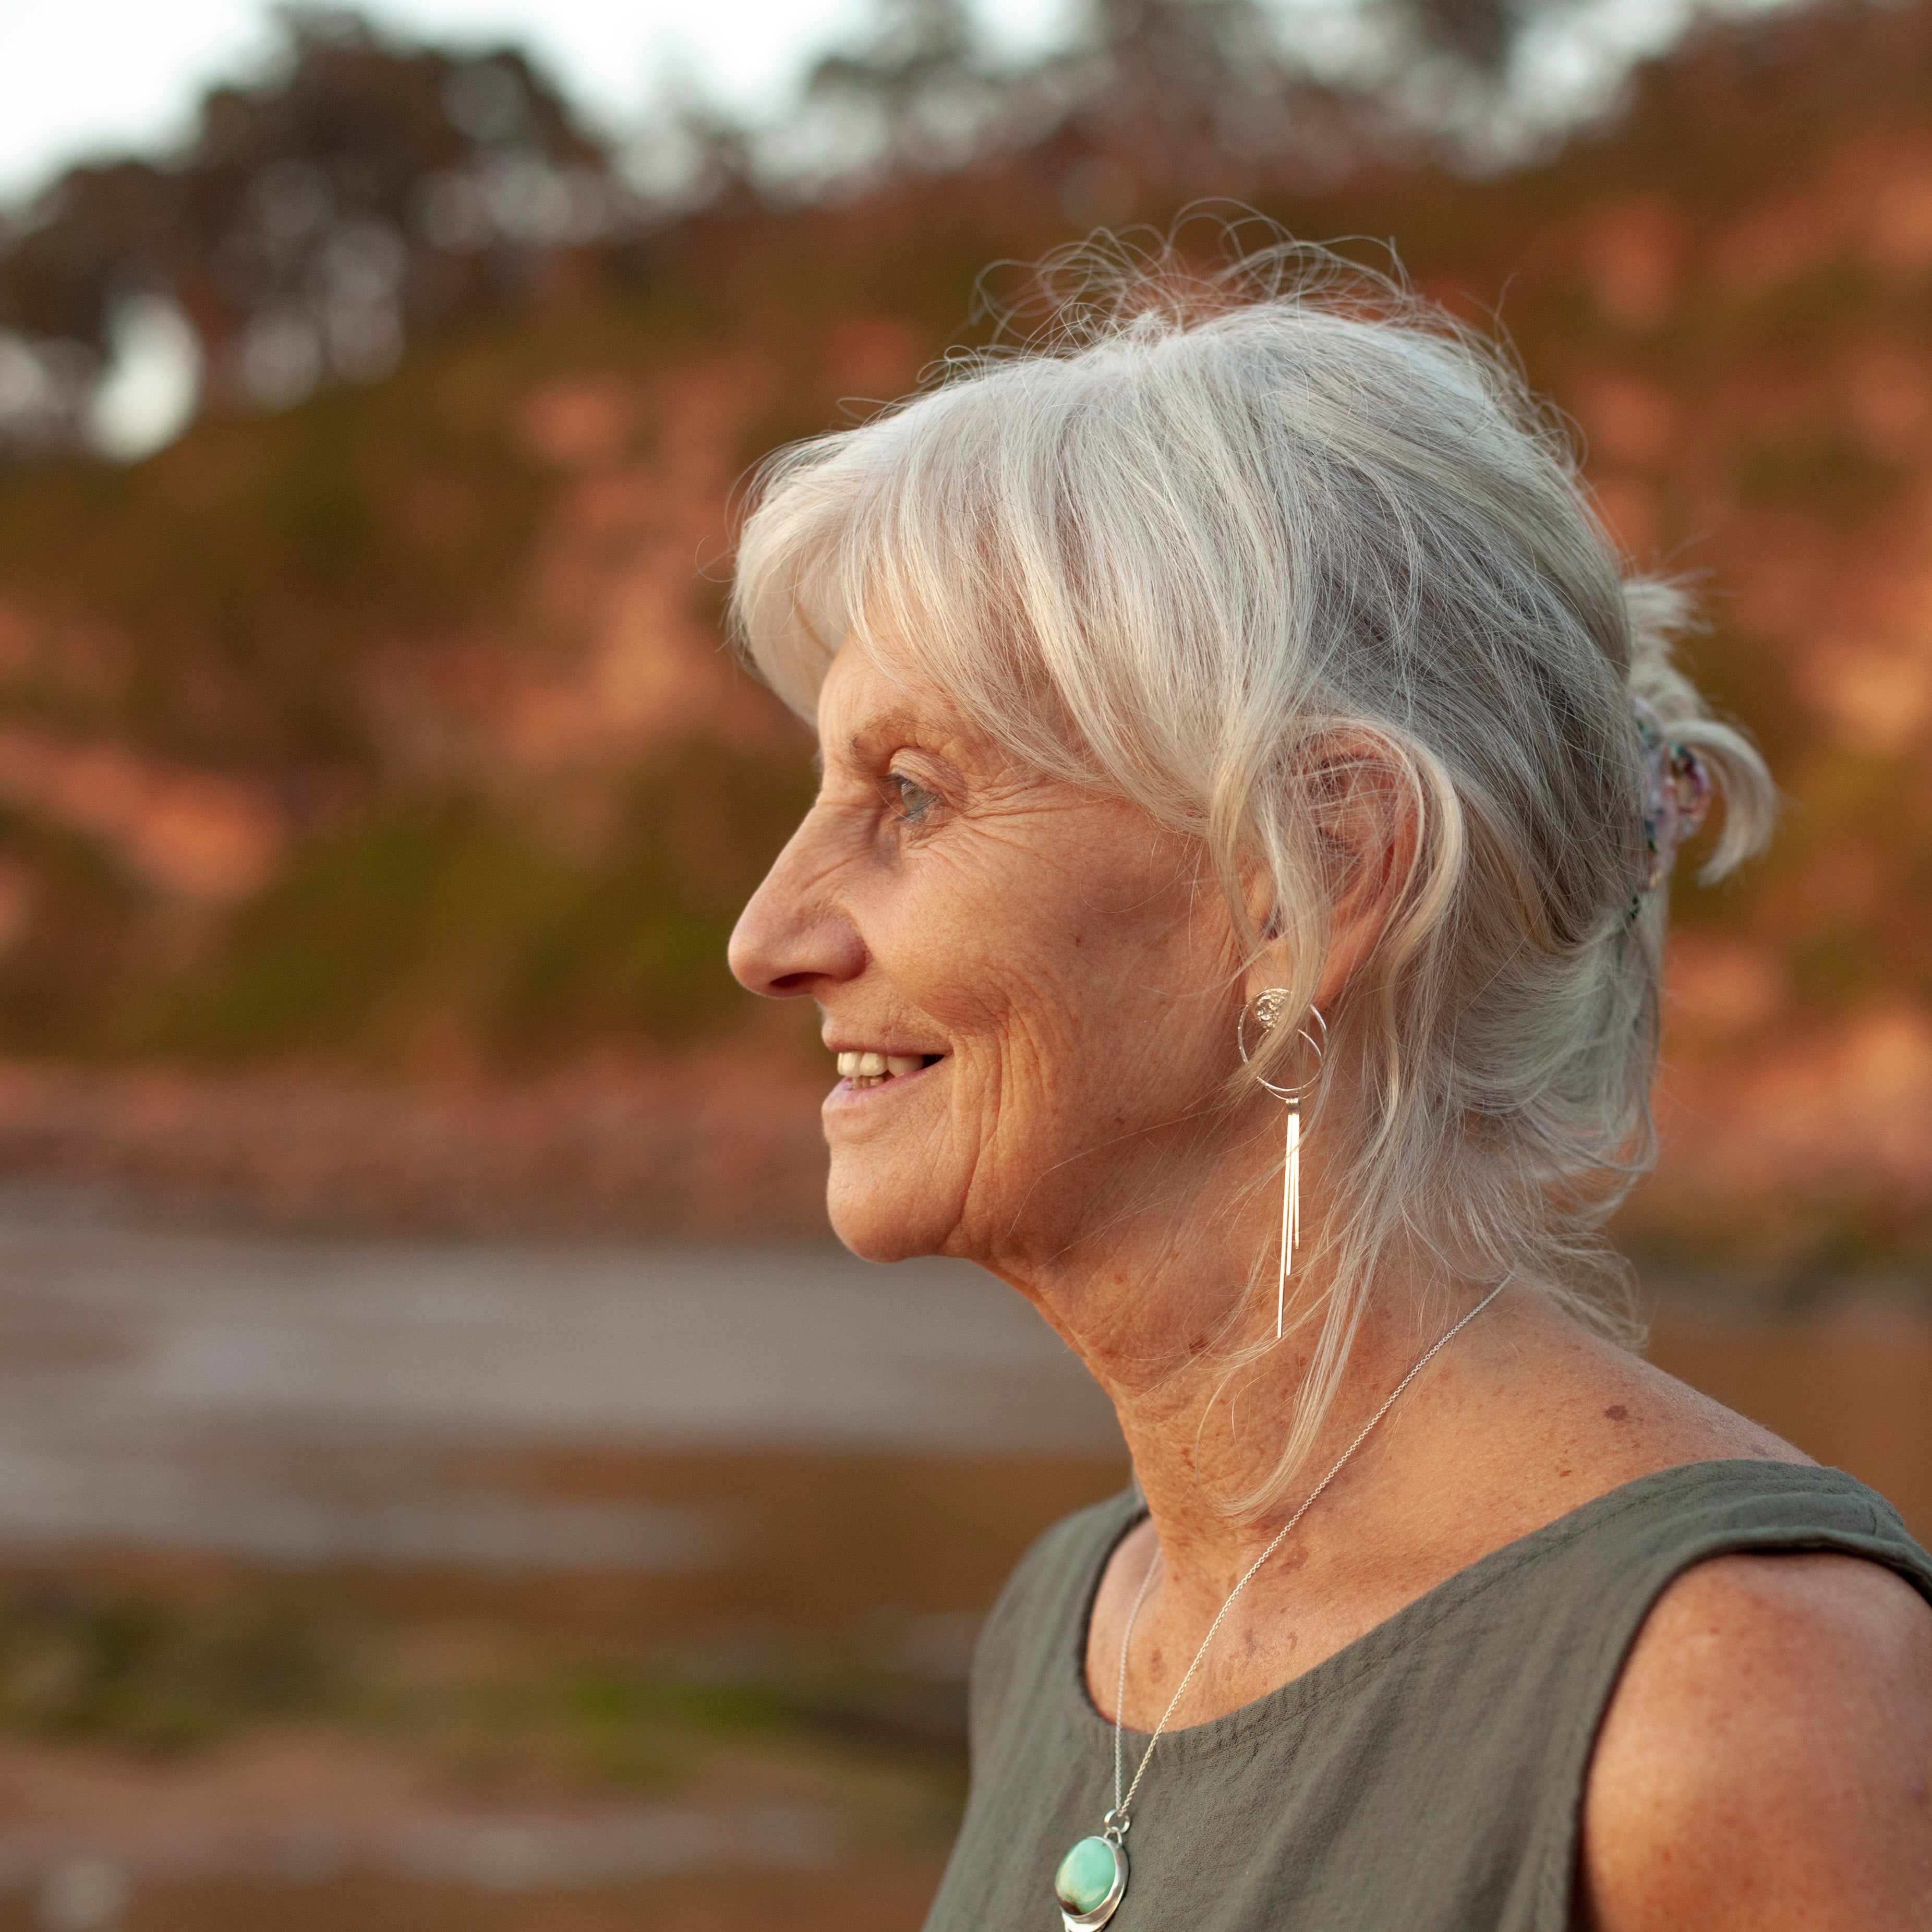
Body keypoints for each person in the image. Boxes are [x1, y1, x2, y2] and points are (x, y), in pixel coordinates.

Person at [724, 237, 1932, 1931]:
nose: (767, 935)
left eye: (912, 795)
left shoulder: (1737, 1689)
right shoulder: (1073, 1621)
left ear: (1311, 874)